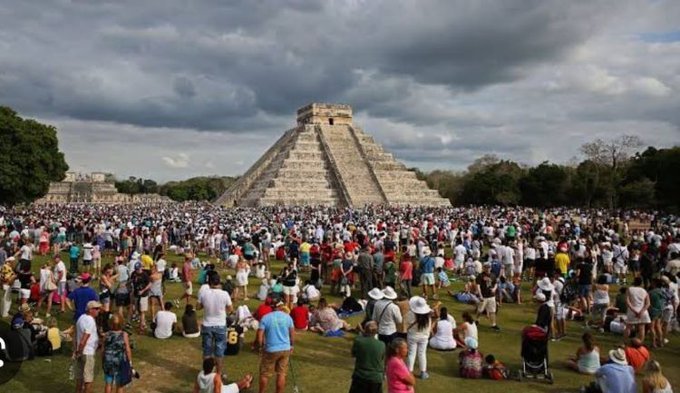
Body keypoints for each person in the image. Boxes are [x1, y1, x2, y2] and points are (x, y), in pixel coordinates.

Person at [198, 273, 233, 375]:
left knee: (207, 351)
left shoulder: (204, 293)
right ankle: (218, 373)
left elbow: (198, 307)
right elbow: (231, 309)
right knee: (219, 351)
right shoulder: (224, 294)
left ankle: (207, 372)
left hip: (207, 324)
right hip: (220, 325)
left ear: (210, 282)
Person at [256, 300, 294, 393]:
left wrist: (260, 347)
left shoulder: (265, 318)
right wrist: (292, 346)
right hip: (285, 348)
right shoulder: (288, 317)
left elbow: (259, 336)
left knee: (265, 374)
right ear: (280, 306)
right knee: (282, 374)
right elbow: (292, 334)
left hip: (271, 349)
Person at [74, 300, 102, 393]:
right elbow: (84, 339)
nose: (99, 310)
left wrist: (76, 350)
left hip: (80, 351)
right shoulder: (90, 320)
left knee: (79, 377)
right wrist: (80, 350)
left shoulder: (81, 318)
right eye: (96, 309)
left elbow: (75, 335)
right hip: (87, 352)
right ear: (90, 310)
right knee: (88, 379)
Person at [350, 321, 385, 393]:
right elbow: (381, 358)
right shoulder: (382, 345)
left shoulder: (358, 341)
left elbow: (353, 354)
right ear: (376, 332)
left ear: (365, 329)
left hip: (360, 377)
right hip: (375, 379)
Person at [103, 314, 133, 393]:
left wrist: (103, 360)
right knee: (120, 384)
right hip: (119, 361)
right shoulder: (124, 335)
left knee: (108, 383)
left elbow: (103, 349)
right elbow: (127, 349)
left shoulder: (106, 335)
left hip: (108, 360)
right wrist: (130, 362)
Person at [405, 296, 432, 379]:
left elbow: (407, 323)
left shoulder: (410, 313)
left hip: (413, 336)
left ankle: (409, 372)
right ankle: (423, 372)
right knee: (422, 354)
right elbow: (429, 326)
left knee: (411, 354)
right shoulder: (428, 316)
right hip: (424, 336)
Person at [625, 277, 651, 342]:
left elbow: (627, 301)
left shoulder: (630, 289)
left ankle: (624, 342)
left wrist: (633, 310)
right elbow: (648, 304)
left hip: (632, 310)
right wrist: (642, 311)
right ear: (641, 283)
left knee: (628, 327)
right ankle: (640, 343)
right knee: (642, 328)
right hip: (643, 311)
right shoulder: (644, 291)